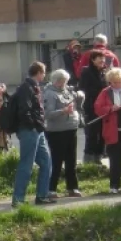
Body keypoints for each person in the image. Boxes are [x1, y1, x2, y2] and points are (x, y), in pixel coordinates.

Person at [12, 62, 54, 208]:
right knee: (26, 164)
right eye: (43, 72)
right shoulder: (26, 88)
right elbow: (25, 110)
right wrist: (34, 125)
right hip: (30, 130)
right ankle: (18, 199)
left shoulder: (33, 87)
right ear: (39, 72)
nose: (44, 75)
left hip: (37, 129)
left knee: (46, 161)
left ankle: (42, 195)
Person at [43, 69, 83, 198]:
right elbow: (47, 114)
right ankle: (51, 189)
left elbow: (77, 103)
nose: (62, 84)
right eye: (60, 81)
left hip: (71, 128)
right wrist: (63, 111)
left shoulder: (67, 91)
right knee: (57, 160)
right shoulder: (50, 94)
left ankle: (72, 187)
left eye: (64, 81)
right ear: (54, 81)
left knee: (71, 160)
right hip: (56, 131)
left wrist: (80, 97)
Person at [79, 50, 108, 164]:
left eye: (103, 58)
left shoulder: (105, 72)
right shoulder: (86, 72)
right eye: (99, 58)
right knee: (92, 133)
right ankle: (89, 158)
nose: (102, 60)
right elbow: (83, 88)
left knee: (103, 133)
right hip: (91, 107)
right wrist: (100, 92)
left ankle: (99, 156)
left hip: (103, 107)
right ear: (92, 60)